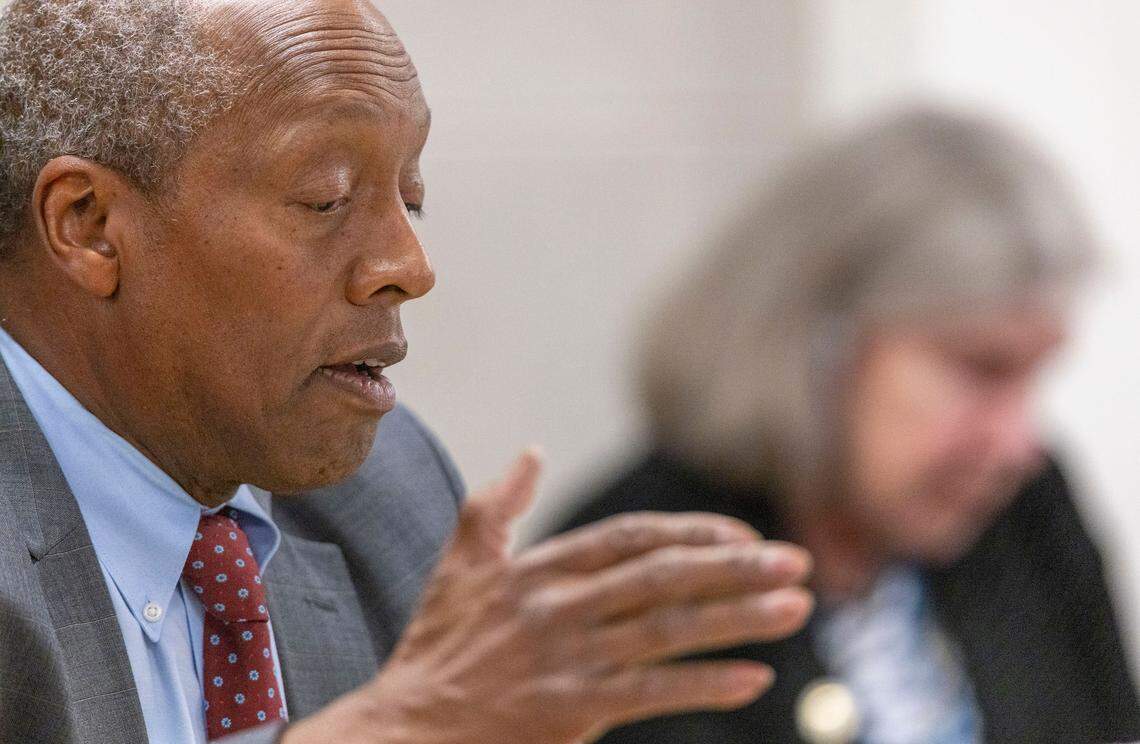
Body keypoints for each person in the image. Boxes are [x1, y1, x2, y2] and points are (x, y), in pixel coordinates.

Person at [0, 1, 816, 743]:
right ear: (90, 226)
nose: (409, 265)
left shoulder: (381, 498)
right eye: (326, 199)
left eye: (411, 198)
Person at [555, 108, 1140, 743]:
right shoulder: (640, 580)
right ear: (818, 344)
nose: (1017, 443)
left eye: (1033, 379)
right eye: (982, 370)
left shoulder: (1024, 516)